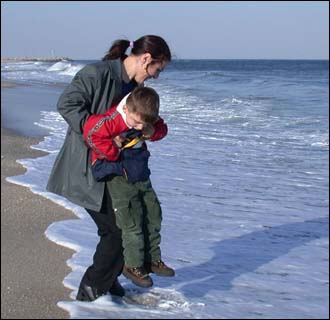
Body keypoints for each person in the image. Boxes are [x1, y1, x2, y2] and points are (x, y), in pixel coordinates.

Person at [46, 35, 172, 301]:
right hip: (88, 168)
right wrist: (97, 132)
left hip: (118, 171)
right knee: (116, 231)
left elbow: (150, 123)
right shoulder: (97, 74)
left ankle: (110, 282)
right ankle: (90, 292)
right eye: (157, 70)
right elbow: (66, 104)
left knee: (129, 223)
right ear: (146, 59)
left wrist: (148, 130)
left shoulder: (136, 91)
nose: (156, 77)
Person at [83, 86, 175, 288]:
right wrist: (112, 151)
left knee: (153, 213)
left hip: (139, 170)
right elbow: (91, 132)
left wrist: (153, 131)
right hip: (118, 173)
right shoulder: (114, 118)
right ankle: (132, 265)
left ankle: (152, 259)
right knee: (131, 220)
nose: (139, 127)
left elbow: (162, 129)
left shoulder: (143, 114)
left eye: (144, 124)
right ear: (126, 110)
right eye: (136, 123)